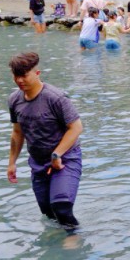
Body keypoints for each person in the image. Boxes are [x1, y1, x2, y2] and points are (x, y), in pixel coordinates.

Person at [7, 52, 84, 229]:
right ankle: (60, 236)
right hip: (38, 162)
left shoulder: (55, 97)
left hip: (65, 158)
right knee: (47, 211)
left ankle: (74, 238)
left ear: (37, 73)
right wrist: (12, 163)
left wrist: (57, 154)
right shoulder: (14, 100)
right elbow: (17, 133)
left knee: (62, 206)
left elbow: (76, 127)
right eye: (16, 75)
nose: (19, 80)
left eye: (24, 75)